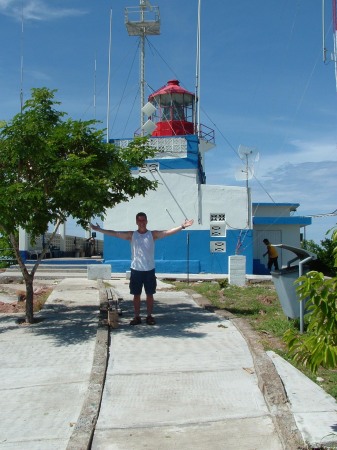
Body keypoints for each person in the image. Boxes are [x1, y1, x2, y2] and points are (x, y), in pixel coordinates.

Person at [91, 213, 194, 326]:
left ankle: (149, 316)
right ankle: (137, 317)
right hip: (136, 270)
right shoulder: (132, 235)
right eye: (139, 220)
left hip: (149, 270)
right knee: (136, 295)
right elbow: (115, 233)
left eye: (143, 220)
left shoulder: (152, 235)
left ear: (146, 221)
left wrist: (182, 226)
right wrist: (99, 229)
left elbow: (167, 233)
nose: (142, 223)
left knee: (150, 294)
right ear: (136, 222)